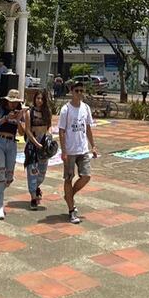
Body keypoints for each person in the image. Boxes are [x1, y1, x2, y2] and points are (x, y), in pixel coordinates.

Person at [0, 88, 33, 220]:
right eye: (11, 101)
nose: (13, 104)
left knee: (8, 176)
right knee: (0, 172)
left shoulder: (20, 113)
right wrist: (6, 118)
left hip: (11, 144)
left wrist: (18, 120)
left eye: (15, 102)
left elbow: (22, 133)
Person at [56, 83, 97, 224]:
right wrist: (64, 151)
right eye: (77, 90)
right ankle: (71, 209)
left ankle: (69, 195)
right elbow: (61, 131)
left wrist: (93, 146)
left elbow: (88, 127)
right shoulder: (66, 109)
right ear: (72, 92)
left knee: (86, 176)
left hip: (83, 149)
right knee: (68, 178)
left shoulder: (86, 108)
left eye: (81, 91)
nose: (79, 93)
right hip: (70, 150)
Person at [25, 90, 55, 210]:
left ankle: (36, 187)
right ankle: (33, 196)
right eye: (38, 98)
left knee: (42, 172)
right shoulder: (29, 112)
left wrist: (49, 137)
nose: (40, 101)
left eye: (42, 99)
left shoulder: (47, 112)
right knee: (32, 171)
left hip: (44, 146)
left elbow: (50, 126)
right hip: (32, 146)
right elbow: (27, 130)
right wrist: (36, 143)